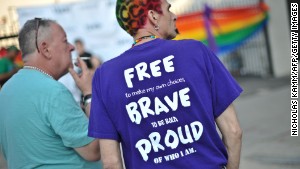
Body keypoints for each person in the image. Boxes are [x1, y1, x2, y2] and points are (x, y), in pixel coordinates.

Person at [88, 0, 243, 169]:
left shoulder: (105, 75)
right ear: (153, 16)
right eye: (168, 9)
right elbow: (233, 132)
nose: (174, 16)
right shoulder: (196, 52)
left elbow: (111, 163)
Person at [0, 18, 102, 169]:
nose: (72, 47)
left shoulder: (6, 91)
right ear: (45, 49)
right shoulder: (53, 91)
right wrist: (89, 93)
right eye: (65, 41)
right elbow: (94, 150)